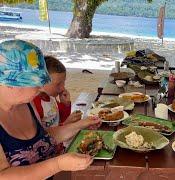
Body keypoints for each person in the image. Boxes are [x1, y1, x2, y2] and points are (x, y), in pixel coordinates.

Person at [0, 40, 100, 179]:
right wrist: (58, 165)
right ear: (12, 83)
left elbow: (43, 138)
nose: (41, 88)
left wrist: (80, 125)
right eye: (37, 83)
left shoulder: (26, 103)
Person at [33, 55, 82, 129]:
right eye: (58, 84)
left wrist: (65, 104)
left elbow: (59, 119)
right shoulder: (35, 105)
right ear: (41, 82)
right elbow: (41, 137)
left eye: (63, 82)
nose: (63, 88)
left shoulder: (51, 97)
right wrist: (66, 124)